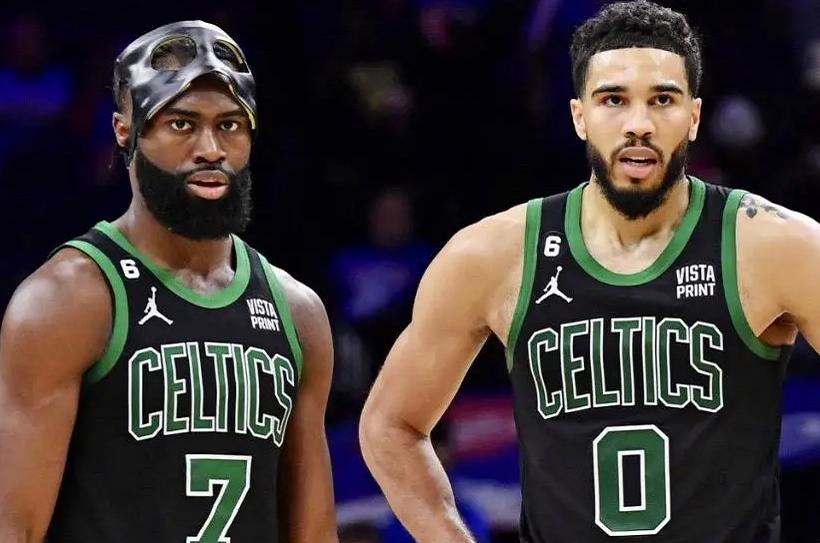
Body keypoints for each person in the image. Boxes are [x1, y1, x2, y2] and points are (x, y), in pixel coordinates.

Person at [359, 2, 820, 541]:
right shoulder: (494, 254)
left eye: (663, 99)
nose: (638, 124)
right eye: (613, 99)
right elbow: (390, 425)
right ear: (580, 116)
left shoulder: (774, 244)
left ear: (694, 117)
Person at [0, 21, 337, 542]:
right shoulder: (67, 299)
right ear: (125, 130)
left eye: (230, 125)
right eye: (182, 124)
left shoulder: (297, 312)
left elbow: (314, 533)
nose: (210, 148)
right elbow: (14, 527)